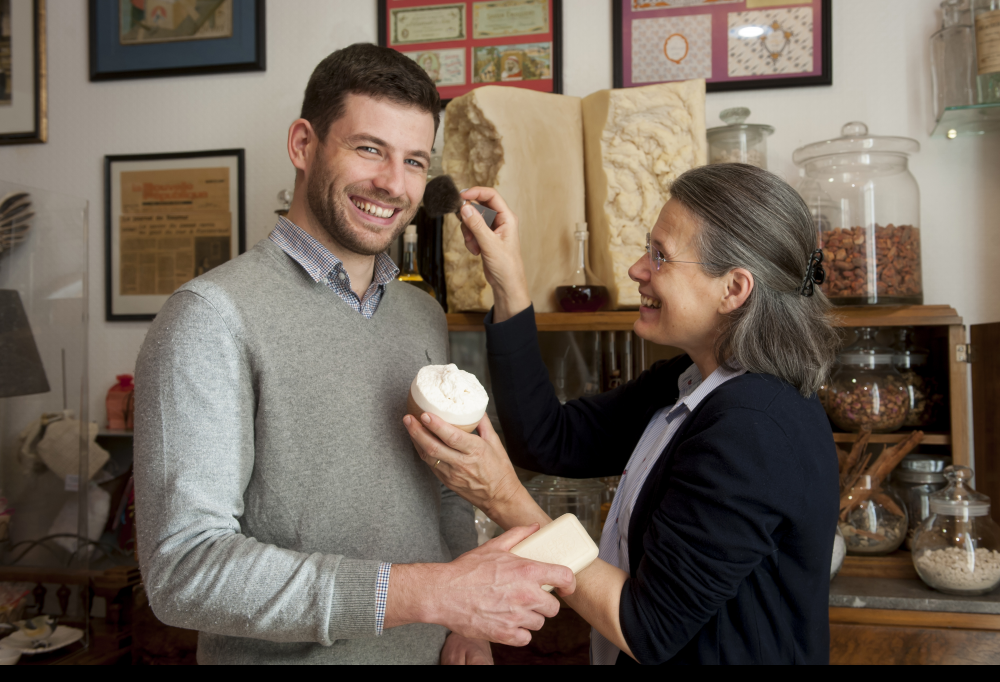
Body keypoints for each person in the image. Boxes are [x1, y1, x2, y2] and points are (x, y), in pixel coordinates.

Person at [133, 43, 574, 666]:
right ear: (303, 145)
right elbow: (185, 571)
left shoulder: (419, 314)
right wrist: (434, 594)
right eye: (369, 148)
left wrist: (463, 623)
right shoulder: (210, 317)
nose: (393, 184)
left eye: (415, 160)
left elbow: (445, 489)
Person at [404, 163, 843, 665]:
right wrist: (509, 280)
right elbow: (550, 438)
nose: (638, 269)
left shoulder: (753, 428)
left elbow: (647, 627)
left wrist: (504, 499)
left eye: (661, 256)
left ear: (734, 290)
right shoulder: (694, 381)